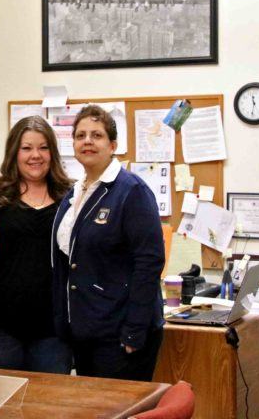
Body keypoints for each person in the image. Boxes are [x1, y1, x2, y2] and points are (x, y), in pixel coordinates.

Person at [51, 105, 165, 381]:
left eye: (97, 135)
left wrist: (134, 329)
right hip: (86, 330)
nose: (87, 141)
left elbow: (149, 262)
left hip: (121, 332)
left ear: (113, 145)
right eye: (80, 135)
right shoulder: (75, 193)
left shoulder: (131, 191)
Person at [0, 116, 73, 374]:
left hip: (53, 330)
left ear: (53, 153)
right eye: (27, 148)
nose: (36, 155)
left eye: (43, 147)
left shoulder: (70, 198)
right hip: (1, 327)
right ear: (14, 152)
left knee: (50, 407)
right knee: (3, 407)